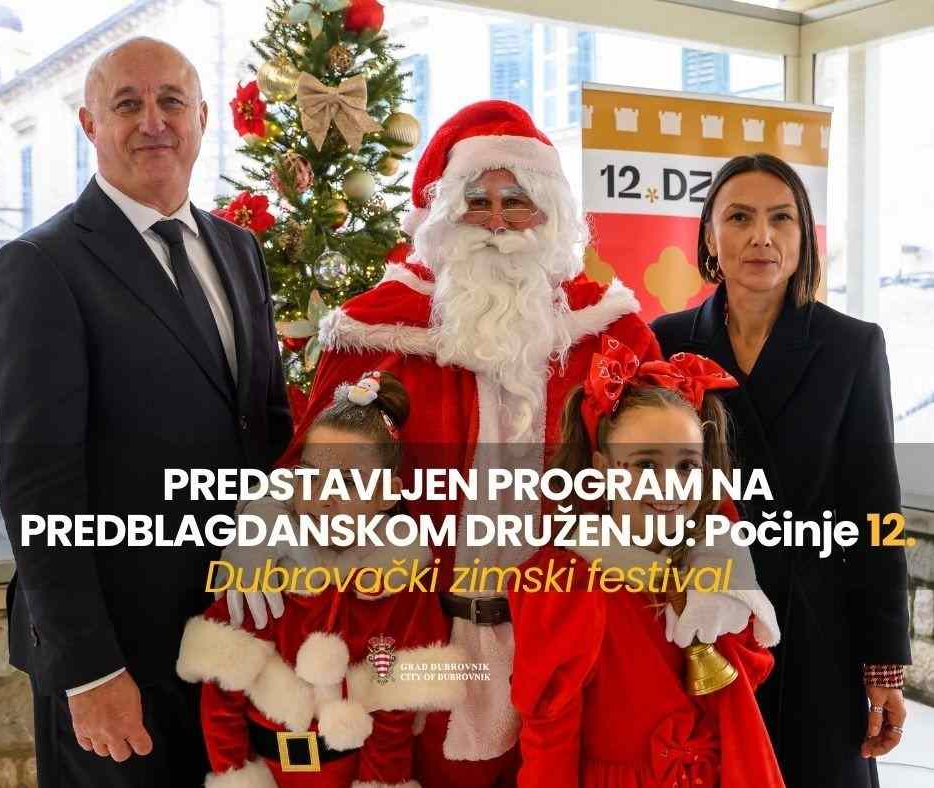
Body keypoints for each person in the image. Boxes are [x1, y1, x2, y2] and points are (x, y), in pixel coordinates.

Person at [249, 102, 771, 788]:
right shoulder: (377, 333)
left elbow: (677, 455)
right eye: (477, 201)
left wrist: (717, 556)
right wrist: (265, 524)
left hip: (579, 651)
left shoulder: (610, 330)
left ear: (548, 212)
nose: (497, 221)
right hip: (424, 643)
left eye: (517, 201)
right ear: (443, 214)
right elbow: (311, 462)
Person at [0, 37, 292, 787]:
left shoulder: (238, 249)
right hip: (119, 661)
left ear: (201, 118)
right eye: (128, 104)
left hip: (234, 636)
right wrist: (90, 671)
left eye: (171, 102)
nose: (153, 121)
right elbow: (36, 486)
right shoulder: (42, 265)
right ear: (90, 124)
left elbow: (266, 428)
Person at [651, 153, 911, 788]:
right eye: (739, 217)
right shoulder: (665, 340)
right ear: (709, 236)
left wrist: (884, 664)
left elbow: (876, 507)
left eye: (781, 218)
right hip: (698, 619)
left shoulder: (852, 345)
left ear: (804, 237)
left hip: (817, 627)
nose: (761, 236)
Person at [510, 339, 783, 788]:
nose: (670, 486)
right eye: (645, 465)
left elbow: (742, 690)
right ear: (602, 469)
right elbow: (548, 743)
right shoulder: (568, 587)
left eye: (686, 466)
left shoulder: (719, 573)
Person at [178, 371, 464, 788]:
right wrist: (235, 775)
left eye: (347, 482)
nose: (323, 497)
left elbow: (394, 716)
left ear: (387, 494)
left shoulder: (401, 585)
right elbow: (221, 701)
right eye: (311, 474)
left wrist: (379, 783)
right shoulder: (263, 569)